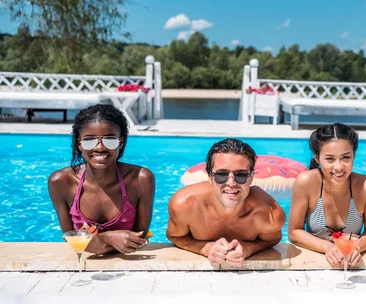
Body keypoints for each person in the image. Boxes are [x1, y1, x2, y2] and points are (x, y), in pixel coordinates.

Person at [48, 104, 155, 254]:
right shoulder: (61, 182)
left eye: (110, 140)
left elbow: (139, 238)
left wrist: (94, 241)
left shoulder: (140, 179)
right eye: (89, 140)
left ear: (121, 142)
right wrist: (109, 237)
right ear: (79, 144)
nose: (99, 148)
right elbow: (71, 239)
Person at [167, 138, 286, 267]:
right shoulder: (185, 205)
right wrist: (205, 248)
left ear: (251, 178)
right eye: (221, 175)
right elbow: (175, 236)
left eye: (241, 175)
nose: (231, 183)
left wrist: (248, 249)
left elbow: (272, 239)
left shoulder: (268, 214)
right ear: (210, 177)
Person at [288, 123, 366, 266]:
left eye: (345, 158)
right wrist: (327, 247)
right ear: (317, 159)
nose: (338, 167)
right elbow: (294, 232)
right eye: (330, 159)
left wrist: (355, 247)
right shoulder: (306, 182)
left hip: (349, 264)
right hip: (313, 263)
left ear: (354, 156)